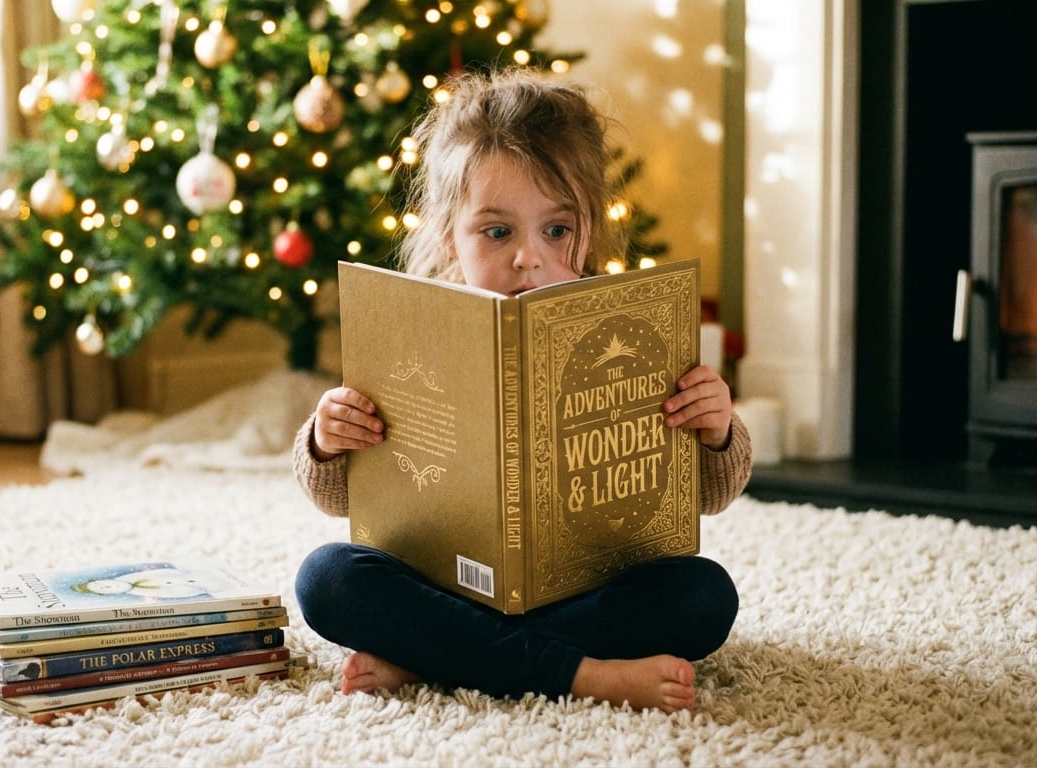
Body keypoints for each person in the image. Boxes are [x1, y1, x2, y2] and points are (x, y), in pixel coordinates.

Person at [291, 68, 753, 714]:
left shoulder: (628, 329)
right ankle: (586, 675)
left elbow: (707, 494)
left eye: (555, 231)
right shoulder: (418, 328)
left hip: (585, 585)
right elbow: (346, 497)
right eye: (498, 231)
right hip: (446, 581)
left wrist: (718, 429)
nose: (528, 258)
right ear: (451, 234)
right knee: (326, 580)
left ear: (587, 228)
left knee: (705, 597)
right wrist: (326, 439)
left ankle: (434, 657)